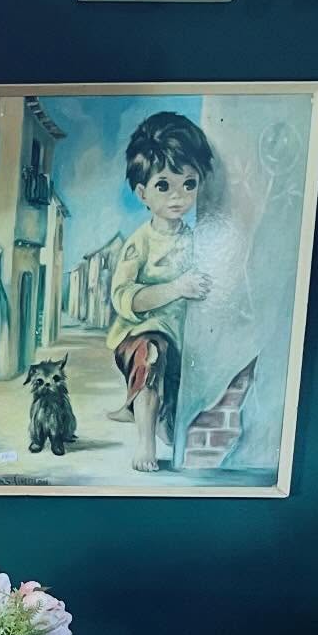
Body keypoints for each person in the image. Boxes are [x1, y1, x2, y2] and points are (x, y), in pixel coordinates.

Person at [106, 112, 214, 473]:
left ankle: (163, 418)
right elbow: (124, 297)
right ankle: (145, 443)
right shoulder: (139, 244)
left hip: (183, 340)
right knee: (151, 353)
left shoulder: (197, 240)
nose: (179, 196)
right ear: (143, 193)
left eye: (189, 183)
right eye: (164, 186)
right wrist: (175, 288)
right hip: (138, 338)